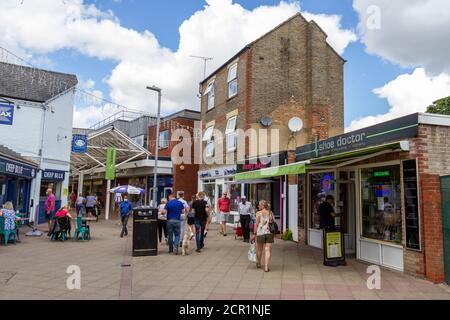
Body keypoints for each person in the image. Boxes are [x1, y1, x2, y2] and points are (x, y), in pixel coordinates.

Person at [253, 200, 275, 272]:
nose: (258, 206)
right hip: (269, 233)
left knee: (259, 250)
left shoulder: (258, 213)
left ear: (262, 205)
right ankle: (266, 267)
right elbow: (273, 221)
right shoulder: (270, 213)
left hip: (260, 233)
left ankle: (258, 263)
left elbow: (256, 224)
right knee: (267, 250)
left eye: (259, 205)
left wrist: (254, 233)